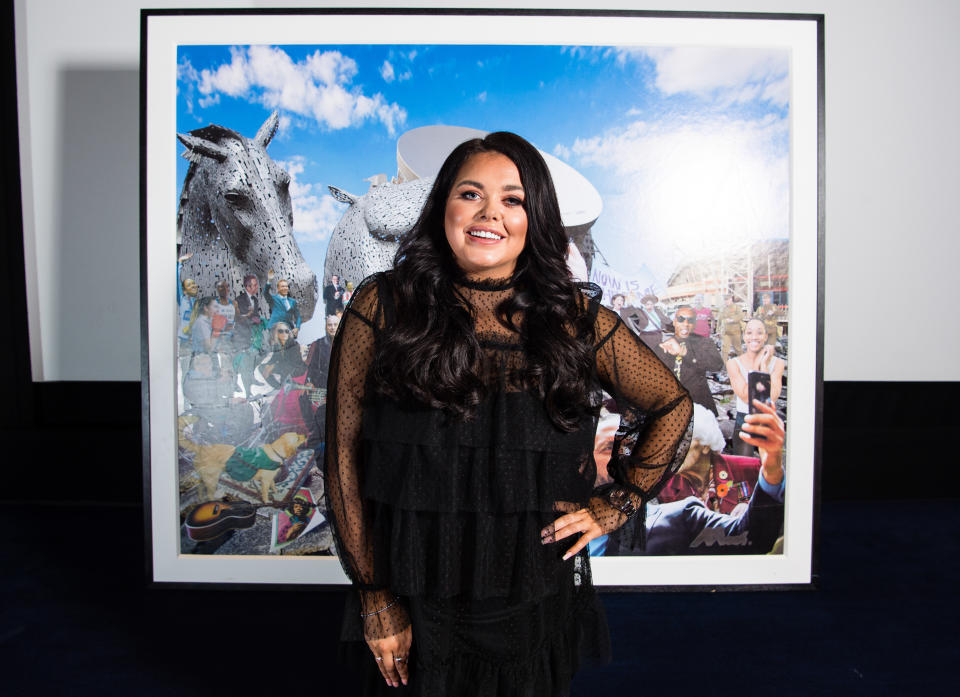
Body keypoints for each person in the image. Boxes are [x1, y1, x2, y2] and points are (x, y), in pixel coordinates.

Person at [323, 132, 692, 696]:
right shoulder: (383, 307)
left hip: (528, 598)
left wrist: (617, 504)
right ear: (443, 205)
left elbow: (672, 405)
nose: (489, 212)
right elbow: (345, 455)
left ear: (533, 216)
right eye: (470, 193)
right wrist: (375, 595)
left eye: (512, 199)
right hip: (412, 593)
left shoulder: (577, 321)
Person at [597, 401, 785, 556]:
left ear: (704, 445)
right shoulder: (667, 485)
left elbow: (752, 534)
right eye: (609, 447)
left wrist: (772, 467)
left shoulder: (679, 517)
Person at [727, 318, 785, 456]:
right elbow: (748, 397)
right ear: (744, 336)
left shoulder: (778, 364)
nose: (754, 337)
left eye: (759, 333)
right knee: (743, 471)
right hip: (744, 419)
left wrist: (764, 366)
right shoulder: (733, 363)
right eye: (749, 332)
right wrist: (757, 365)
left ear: (765, 337)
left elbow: (772, 397)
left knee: (768, 472)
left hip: (768, 420)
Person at [656, 305, 724, 416]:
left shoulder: (704, 342)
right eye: (681, 319)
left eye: (690, 320)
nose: (686, 324)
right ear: (674, 322)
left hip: (698, 404)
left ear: (695, 324)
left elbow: (717, 365)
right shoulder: (664, 345)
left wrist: (685, 354)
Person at [264, 270, 301, 337]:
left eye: (286, 286)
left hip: (287, 331)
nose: (285, 288)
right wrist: (269, 280)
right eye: (282, 286)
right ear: (278, 288)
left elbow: (298, 316)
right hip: (273, 331)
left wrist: (297, 328)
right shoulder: (273, 299)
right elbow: (265, 293)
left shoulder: (292, 301)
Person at [719, 294, 744, 359]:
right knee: (724, 349)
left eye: (727, 300)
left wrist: (732, 319)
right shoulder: (723, 308)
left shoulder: (736, 307)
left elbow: (741, 316)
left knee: (738, 349)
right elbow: (720, 319)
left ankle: (743, 363)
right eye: (725, 300)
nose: (726, 301)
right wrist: (718, 330)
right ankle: (724, 365)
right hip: (725, 332)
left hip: (735, 332)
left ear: (731, 299)